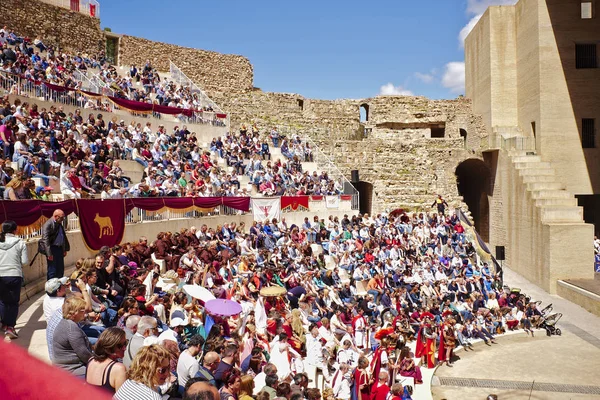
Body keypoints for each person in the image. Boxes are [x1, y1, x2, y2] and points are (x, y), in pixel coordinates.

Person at [0, 220, 28, 339]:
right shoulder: (20, 243)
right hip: (14, 274)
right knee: (13, 302)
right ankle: (10, 326)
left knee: (2, 301)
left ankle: (4, 324)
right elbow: (24, 262)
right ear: (15, 230)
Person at [52, 296, 93, 377]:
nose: (84, 313)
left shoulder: (65, 322)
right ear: (74, 313)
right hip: (71, 369)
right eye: (82, 311)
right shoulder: (71, 328)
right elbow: (84, 355)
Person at [85, 327, 127, 393]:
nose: (124, 348)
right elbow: (122, 397)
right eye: (120, 346)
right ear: (109, 347)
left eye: (125, 344)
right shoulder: (118, 368)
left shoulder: (91, 360)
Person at [41, 209, 70, 280]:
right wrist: (49, 253)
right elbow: (45, 239)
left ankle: (59, 288)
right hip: (52, 249)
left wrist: (64, 249)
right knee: (52, 271)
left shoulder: (59, 224)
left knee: (60, 269)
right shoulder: (48, 224)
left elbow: (63, 237)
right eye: (62, 217)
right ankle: (51, 288)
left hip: (59, 249)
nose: (63, 219)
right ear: (56, 216)